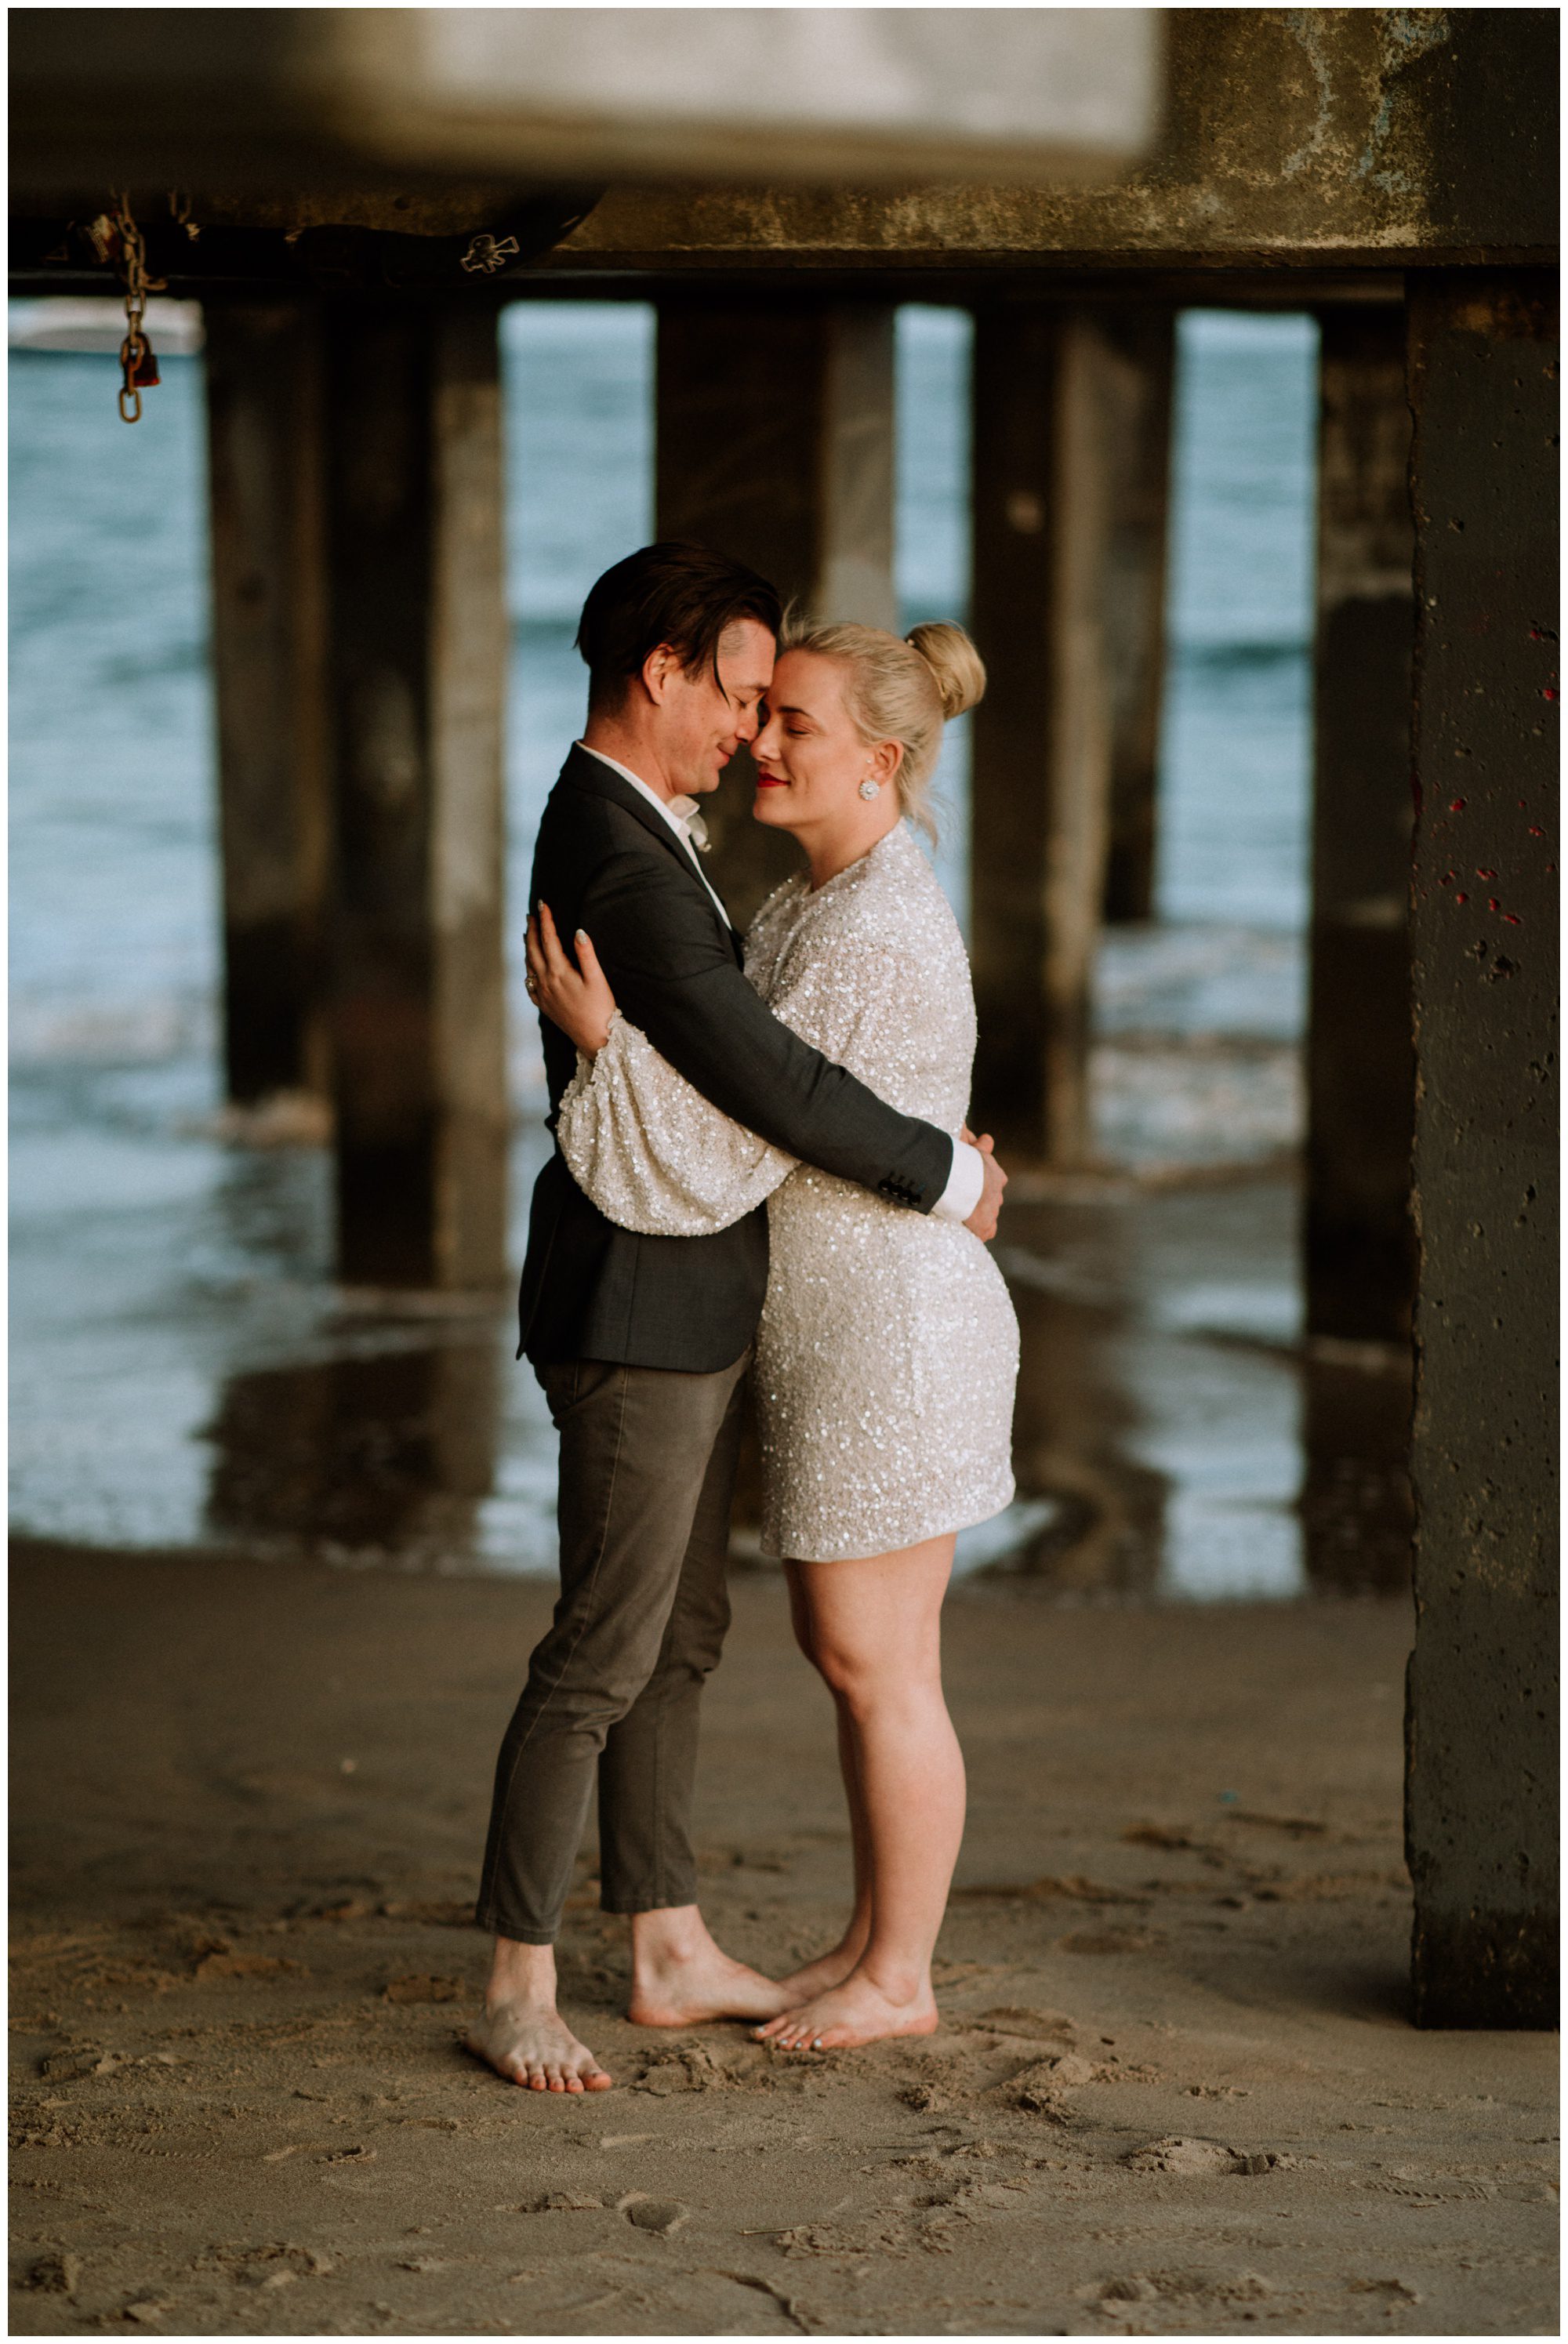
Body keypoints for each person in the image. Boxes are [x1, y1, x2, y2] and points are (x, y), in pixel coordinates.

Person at [470, 546, 1007, 2093]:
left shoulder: (675, 842)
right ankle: (516, 1974)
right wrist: (944, 1173)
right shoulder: (627, 849)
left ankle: (663, 1934)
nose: (753, 732)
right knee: (605, 1649)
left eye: (786, 714)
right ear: (666, 672)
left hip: (721, 1293)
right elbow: (756, 1088)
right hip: (641, 1294)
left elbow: (761, 1081)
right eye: (744, 697)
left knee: (680, 1638)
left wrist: (933, 1151)